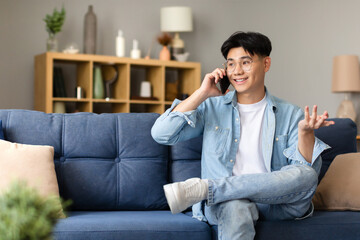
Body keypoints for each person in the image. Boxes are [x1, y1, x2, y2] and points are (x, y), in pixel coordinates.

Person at [151, 31, 334, 240]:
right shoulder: (212, 107)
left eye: (245, 62)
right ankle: (218, 191)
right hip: (227, 203)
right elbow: (161, 134)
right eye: (230, 64)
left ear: (266, 64)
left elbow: (303, 172)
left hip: (276, 204)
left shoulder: (291, 113)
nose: (237, 71)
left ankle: (207, 188)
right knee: (236, 206)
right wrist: (201, 93)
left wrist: (305, 133)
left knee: (308, 175)